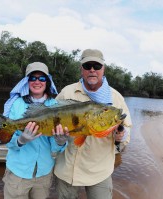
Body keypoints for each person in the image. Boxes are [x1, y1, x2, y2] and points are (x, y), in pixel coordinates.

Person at [54, 49, 132, 199]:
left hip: (99, 172)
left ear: (103, 69)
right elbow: (50, 119)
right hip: (67, 168)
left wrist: (121, 136)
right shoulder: (67, 92)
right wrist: (57, 139)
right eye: (87, 65)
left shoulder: (116, 98)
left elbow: (126, 134)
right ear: (81, 69)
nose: (92, 70)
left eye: (96, 66)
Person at [2, 62, 69, 199]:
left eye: (42, 78)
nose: (37, 81)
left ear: (47, 82)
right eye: (33, 78)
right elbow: (6, 139)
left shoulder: (56, 106)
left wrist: (61, 142)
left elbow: (55, 148)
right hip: (17, 173)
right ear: (27, 81)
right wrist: (20, 140)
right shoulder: (15, 104)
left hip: (43, 174)